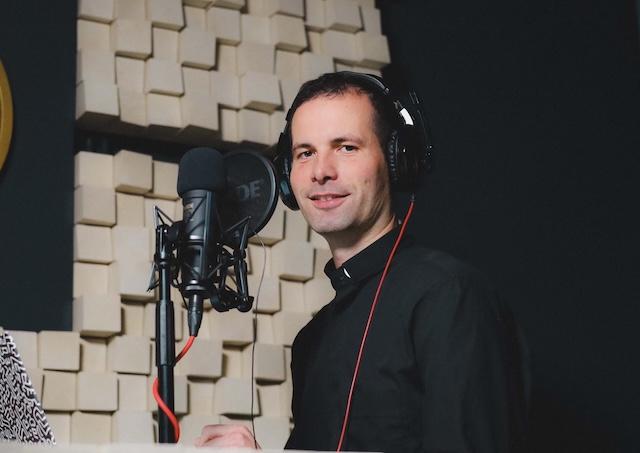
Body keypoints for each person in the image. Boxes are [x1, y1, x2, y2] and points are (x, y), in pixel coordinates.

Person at [196, 72, 529, 452]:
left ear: (395, 160)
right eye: (305, 153)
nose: (321, 171)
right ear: (288, 177)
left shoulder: (449, 297)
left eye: (346, 147)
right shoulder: (311, 340)